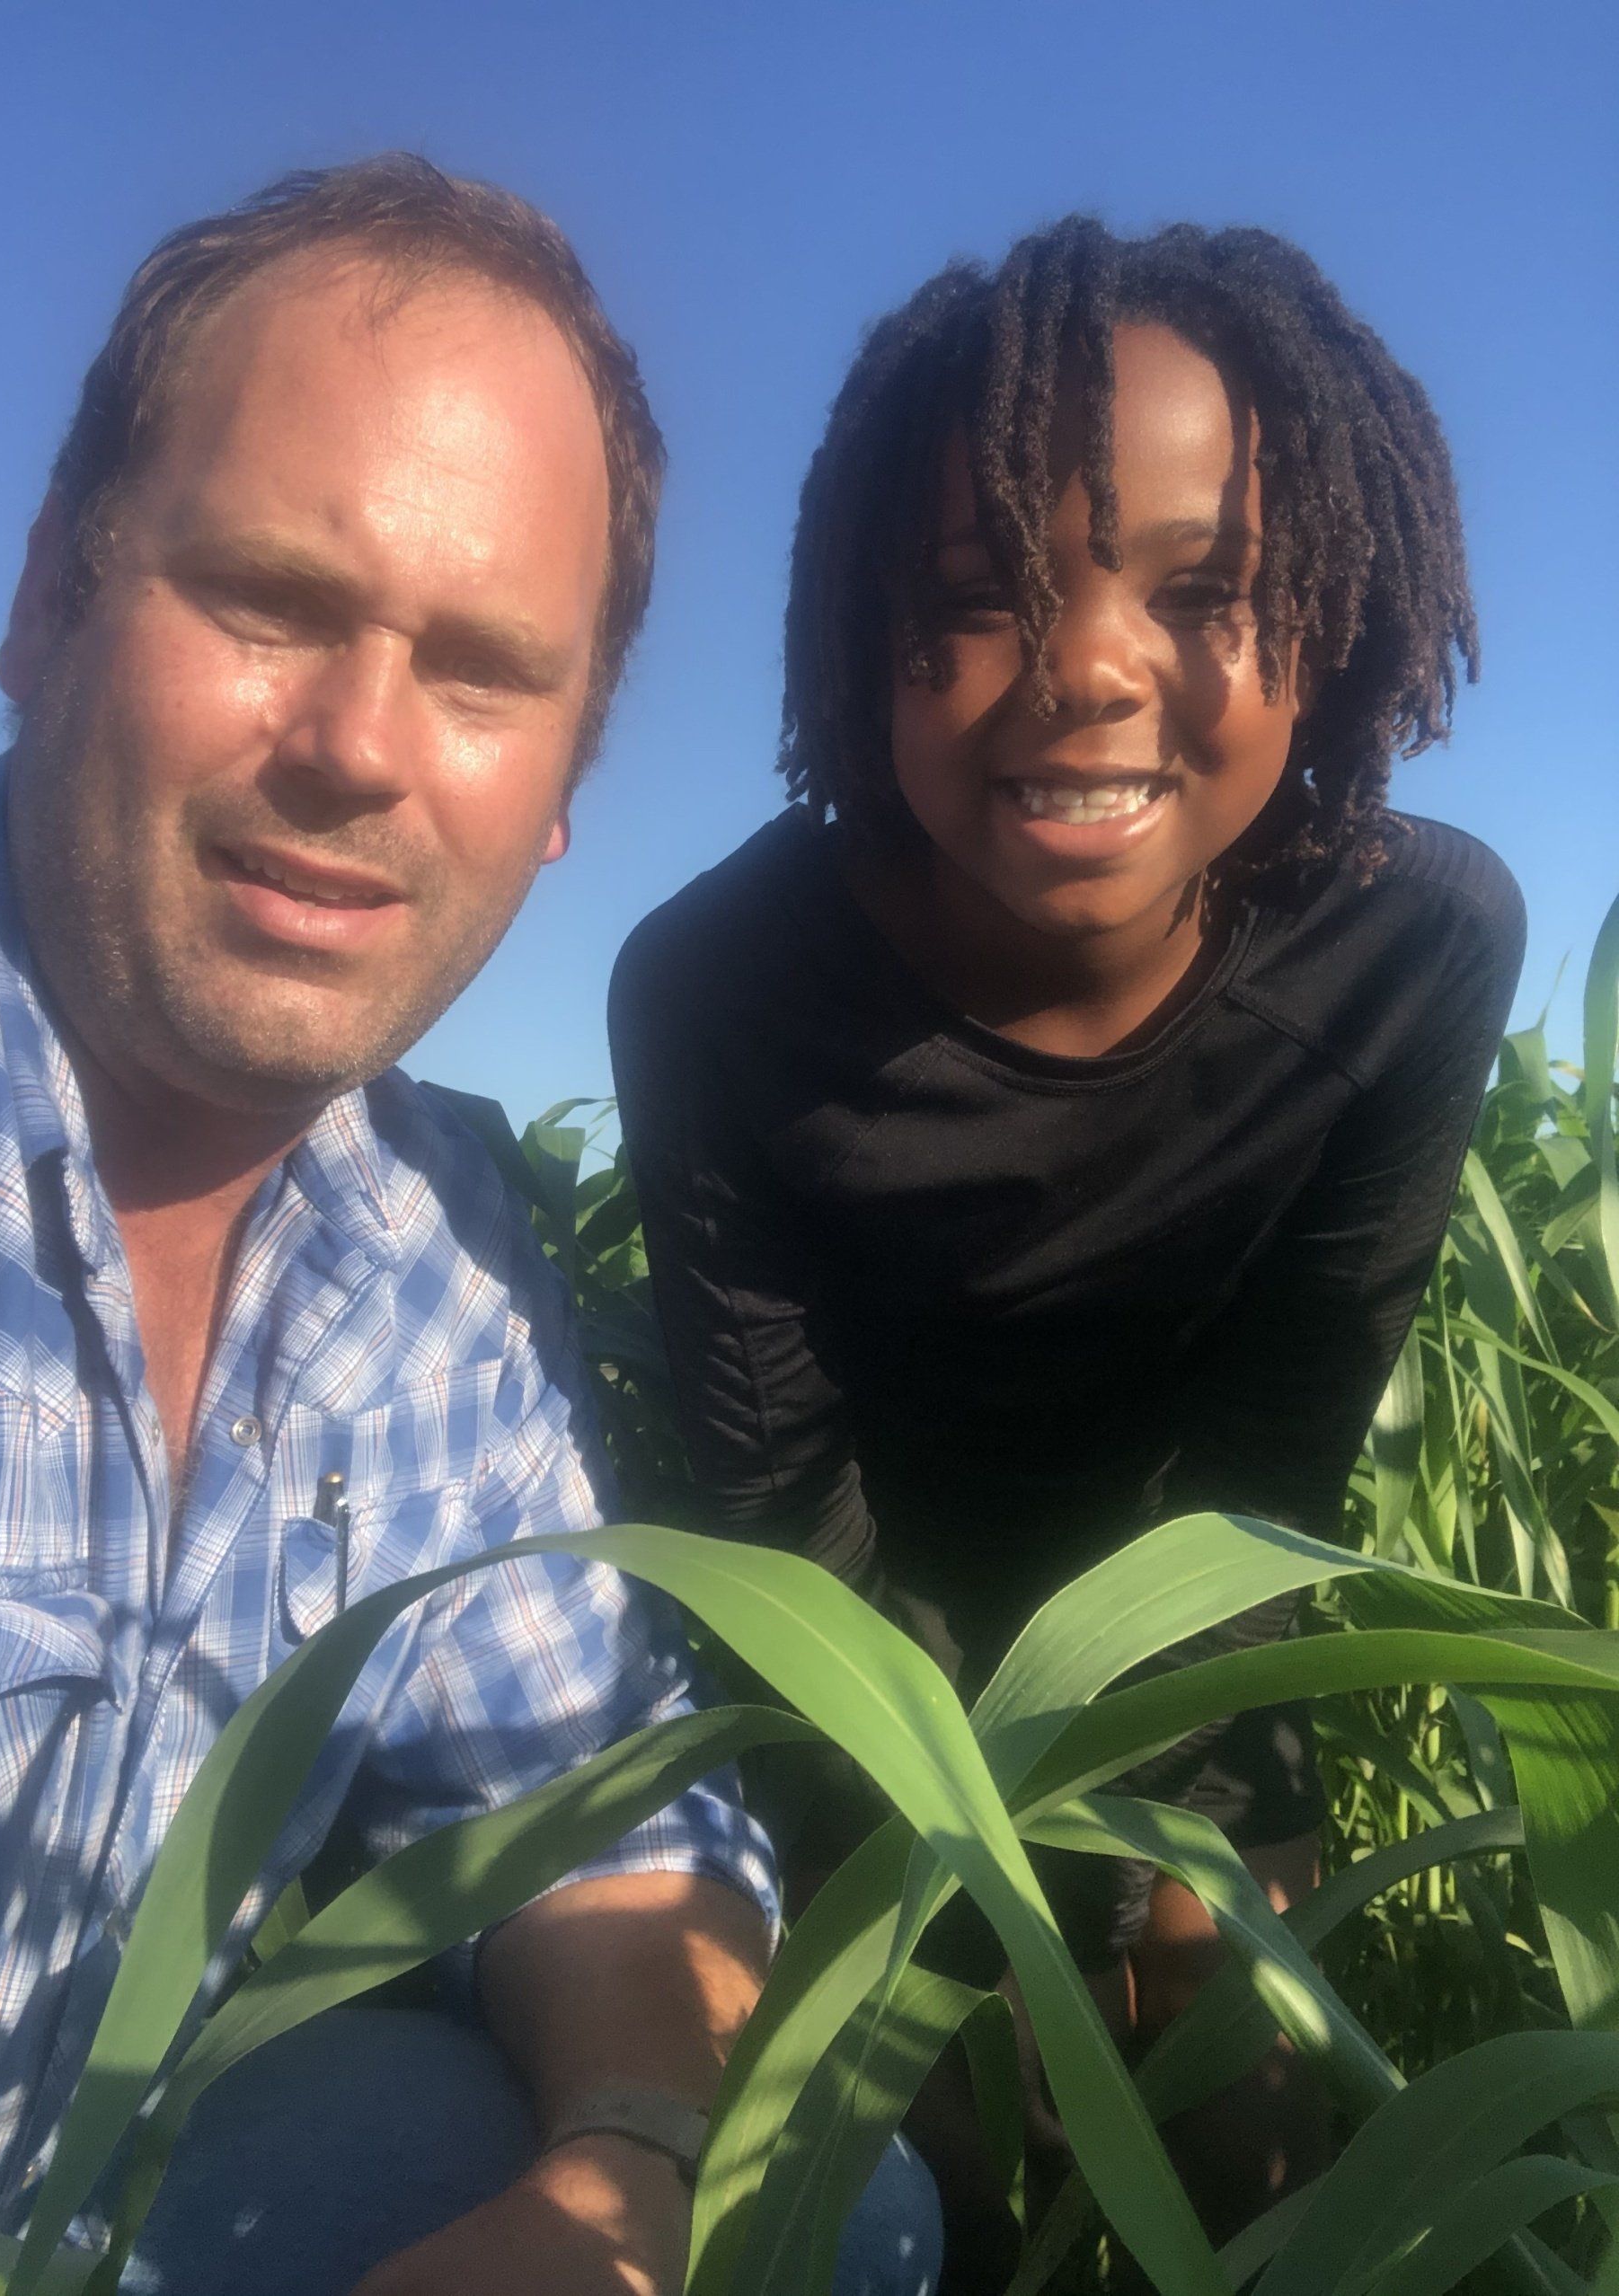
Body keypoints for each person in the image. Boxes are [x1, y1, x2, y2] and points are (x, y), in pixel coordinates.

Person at [0, 157, 941, 2296]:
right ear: (46, 600)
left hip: (72, 2211)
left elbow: (604, 1815)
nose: (360, 749)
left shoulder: (422, 1249)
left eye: (480, 671)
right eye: (269, 600)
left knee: (837, 2220)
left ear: (562, 790)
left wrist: (624, 2178)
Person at [610, 217, 1526, 2280]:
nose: (1094, 665)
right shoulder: (720, 992)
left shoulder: (1414, 946)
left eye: (1205, 589)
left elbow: (1278, 1452)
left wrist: (1159, 1851)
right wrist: (974, 1842)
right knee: (942, 2150)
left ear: (1337, 615)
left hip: (1194, 1571)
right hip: (863, 1625)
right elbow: (777, 1495)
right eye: (973, 598)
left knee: (1237, 2099)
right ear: (857, 646)